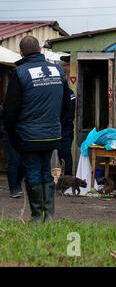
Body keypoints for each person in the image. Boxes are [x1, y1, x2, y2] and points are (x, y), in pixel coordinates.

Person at [3, 36, 71, 223]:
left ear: (21, 52)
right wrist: (58, 126)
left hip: (28, 135)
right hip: (52, 134)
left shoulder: (20, 73)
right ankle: (48, 216)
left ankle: (37, 217)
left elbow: (10, 111)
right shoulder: (58, 70)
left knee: (33, 171)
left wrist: (12, 134)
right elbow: (67, 105)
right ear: (40, 50)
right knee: (46, 171)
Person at [0, 104, 23, 198]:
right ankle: (13, 188)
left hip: (24, 134)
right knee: (14, 160)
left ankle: (17, 184)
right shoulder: (7, 104)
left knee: (23, 162)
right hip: (9, 135)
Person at [59, 82, 76, 176]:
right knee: (62, 154)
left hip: (65, 129)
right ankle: (64, 177)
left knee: (65, 154)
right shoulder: (69, 93)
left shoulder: (68, 93)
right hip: (62, 128)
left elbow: (69, 114)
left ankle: (68, 177)